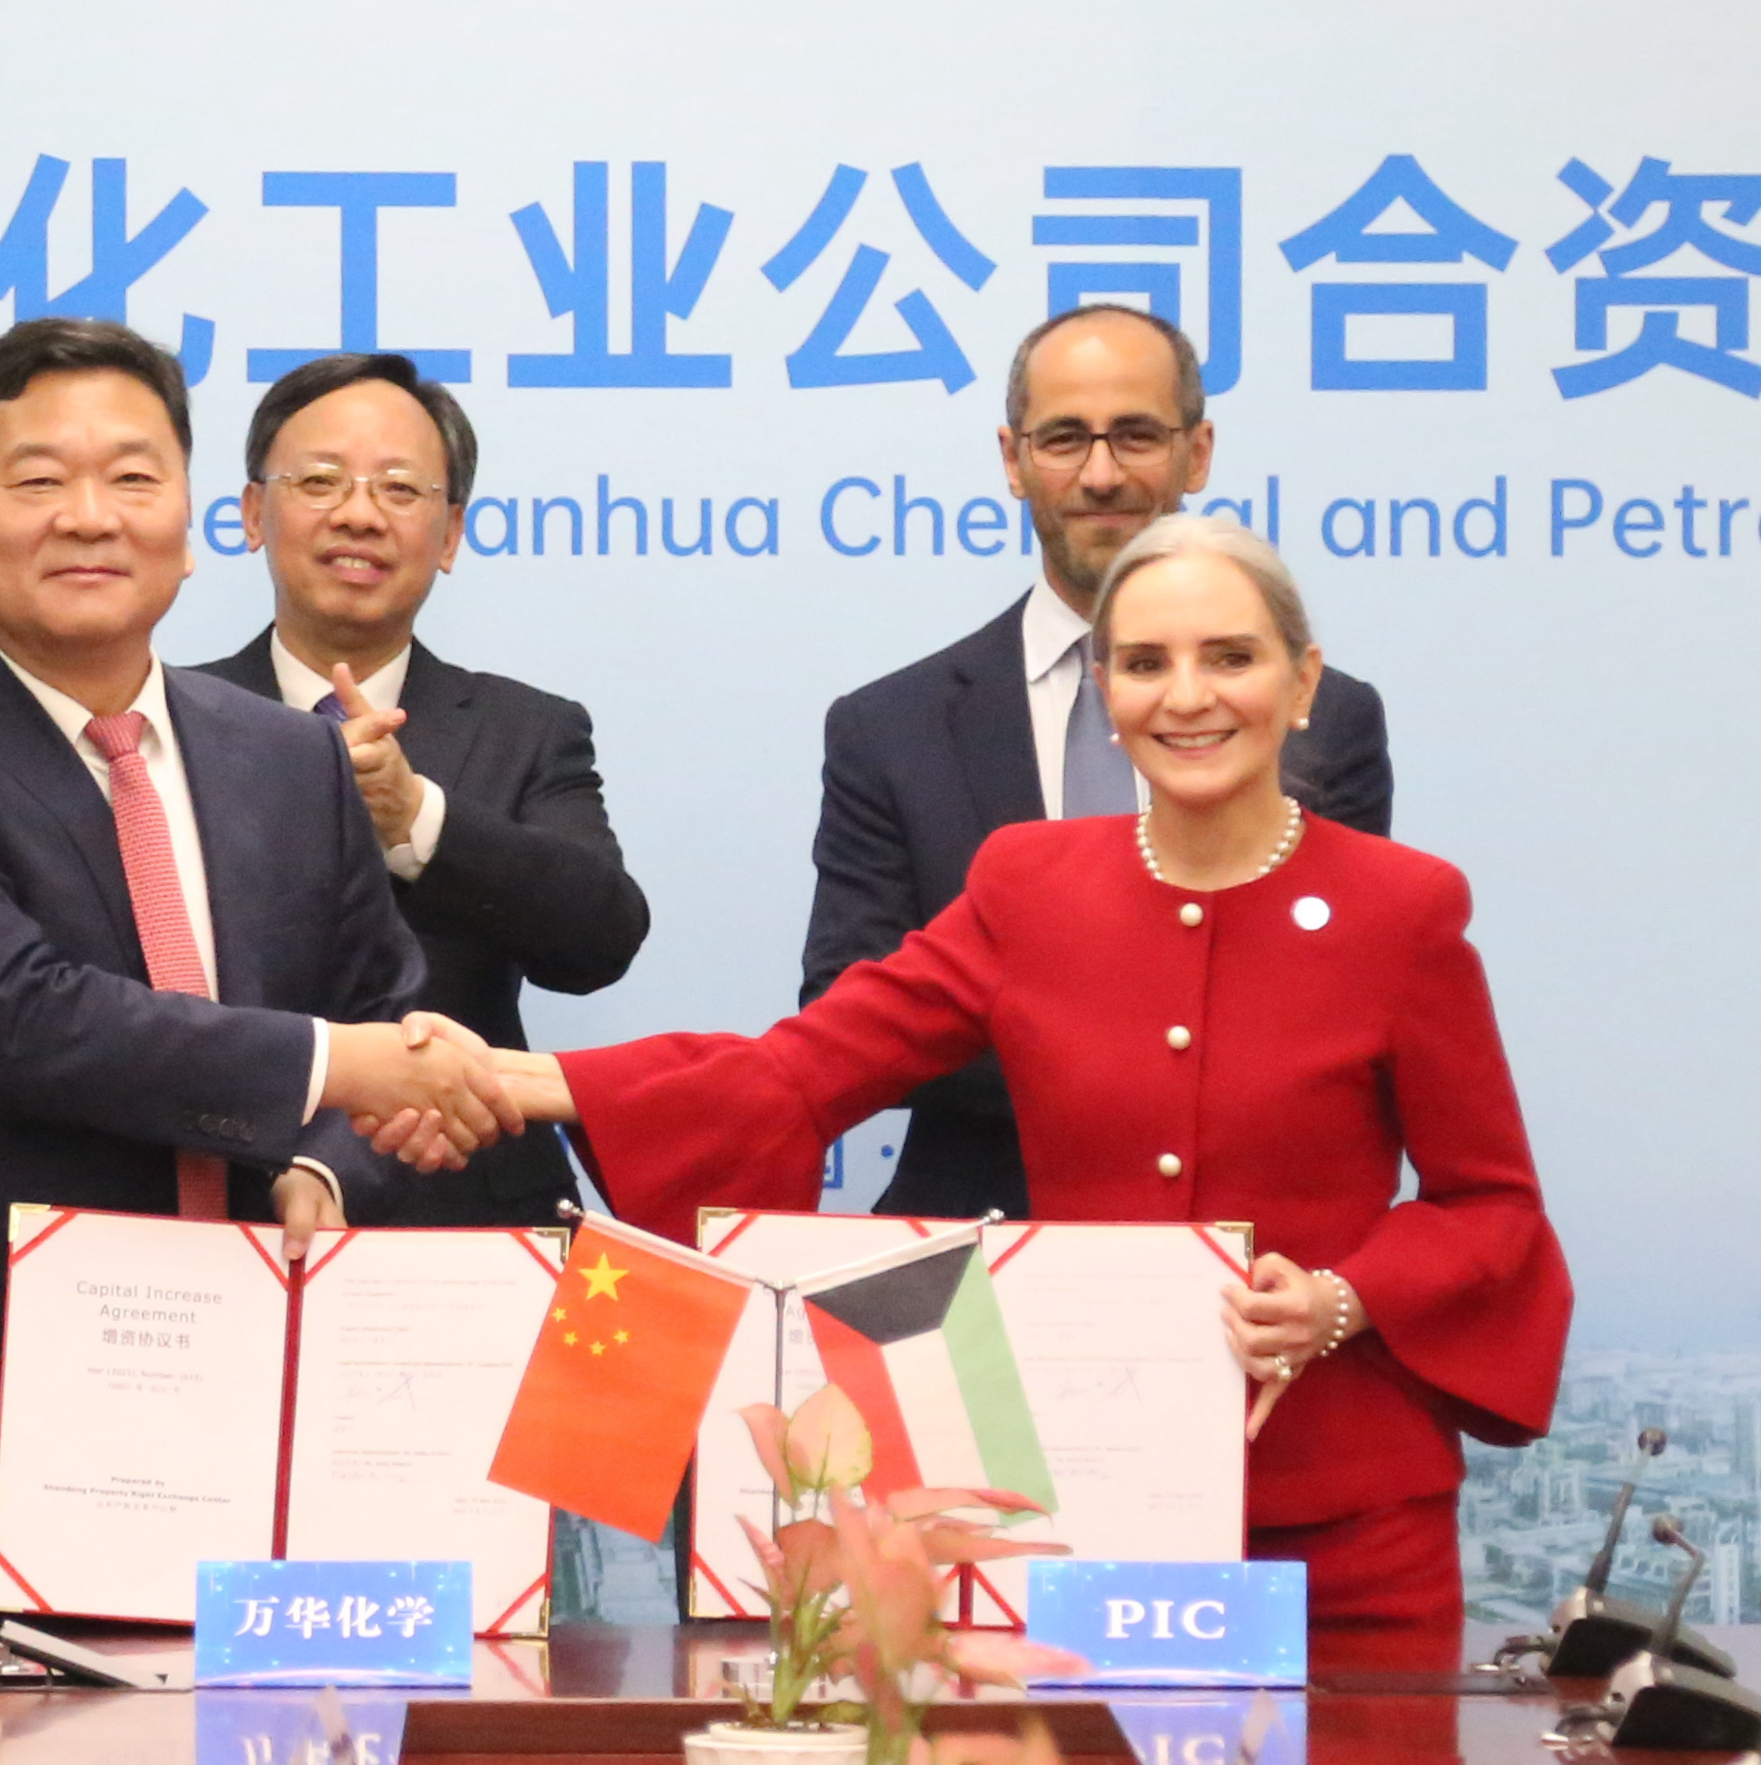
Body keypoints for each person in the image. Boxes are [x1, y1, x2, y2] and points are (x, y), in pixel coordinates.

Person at [460, 516, 1569, 1655]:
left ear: (1302, 685)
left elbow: (1489, 1205)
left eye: (1230, 657)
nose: (1187, 696)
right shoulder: (1027, 885)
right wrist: (537, 1079)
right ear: (1107, 693)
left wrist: (1341, 1297)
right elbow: (803, 1072)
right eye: (1145, 663)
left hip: (1343, 1523)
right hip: (1077, 1503)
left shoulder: (1403, 909)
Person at [0, 318, 514, 1622]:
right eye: (39, 479)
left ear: (197, 521)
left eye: (133, 477)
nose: (89, 516)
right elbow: (24, 1019)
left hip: (260, 1424)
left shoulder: (290, 759)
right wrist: (345, 1067)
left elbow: (383, 1013)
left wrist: (330, 1162)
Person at [805, 305, 1394, 1221]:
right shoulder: (891, 727)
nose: (1102, 473)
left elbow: (1327, 1001)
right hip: (972, 1251)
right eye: (1065, 439)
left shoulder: (1319, 718)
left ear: (1198, 453)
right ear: (1013, 460)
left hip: (1247, 1256)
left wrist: (1040, 1025)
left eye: (1136, 435)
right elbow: (850, 1007)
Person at [198, 353, 648, 1225]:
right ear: (254, 513)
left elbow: (600, 940)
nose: (358, 513)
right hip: (217, 1202)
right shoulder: (164, 717)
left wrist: (417, 820)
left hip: (468, 1214)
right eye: (320, 481)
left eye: (400, 489)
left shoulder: (527, 729)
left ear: (449, 536)